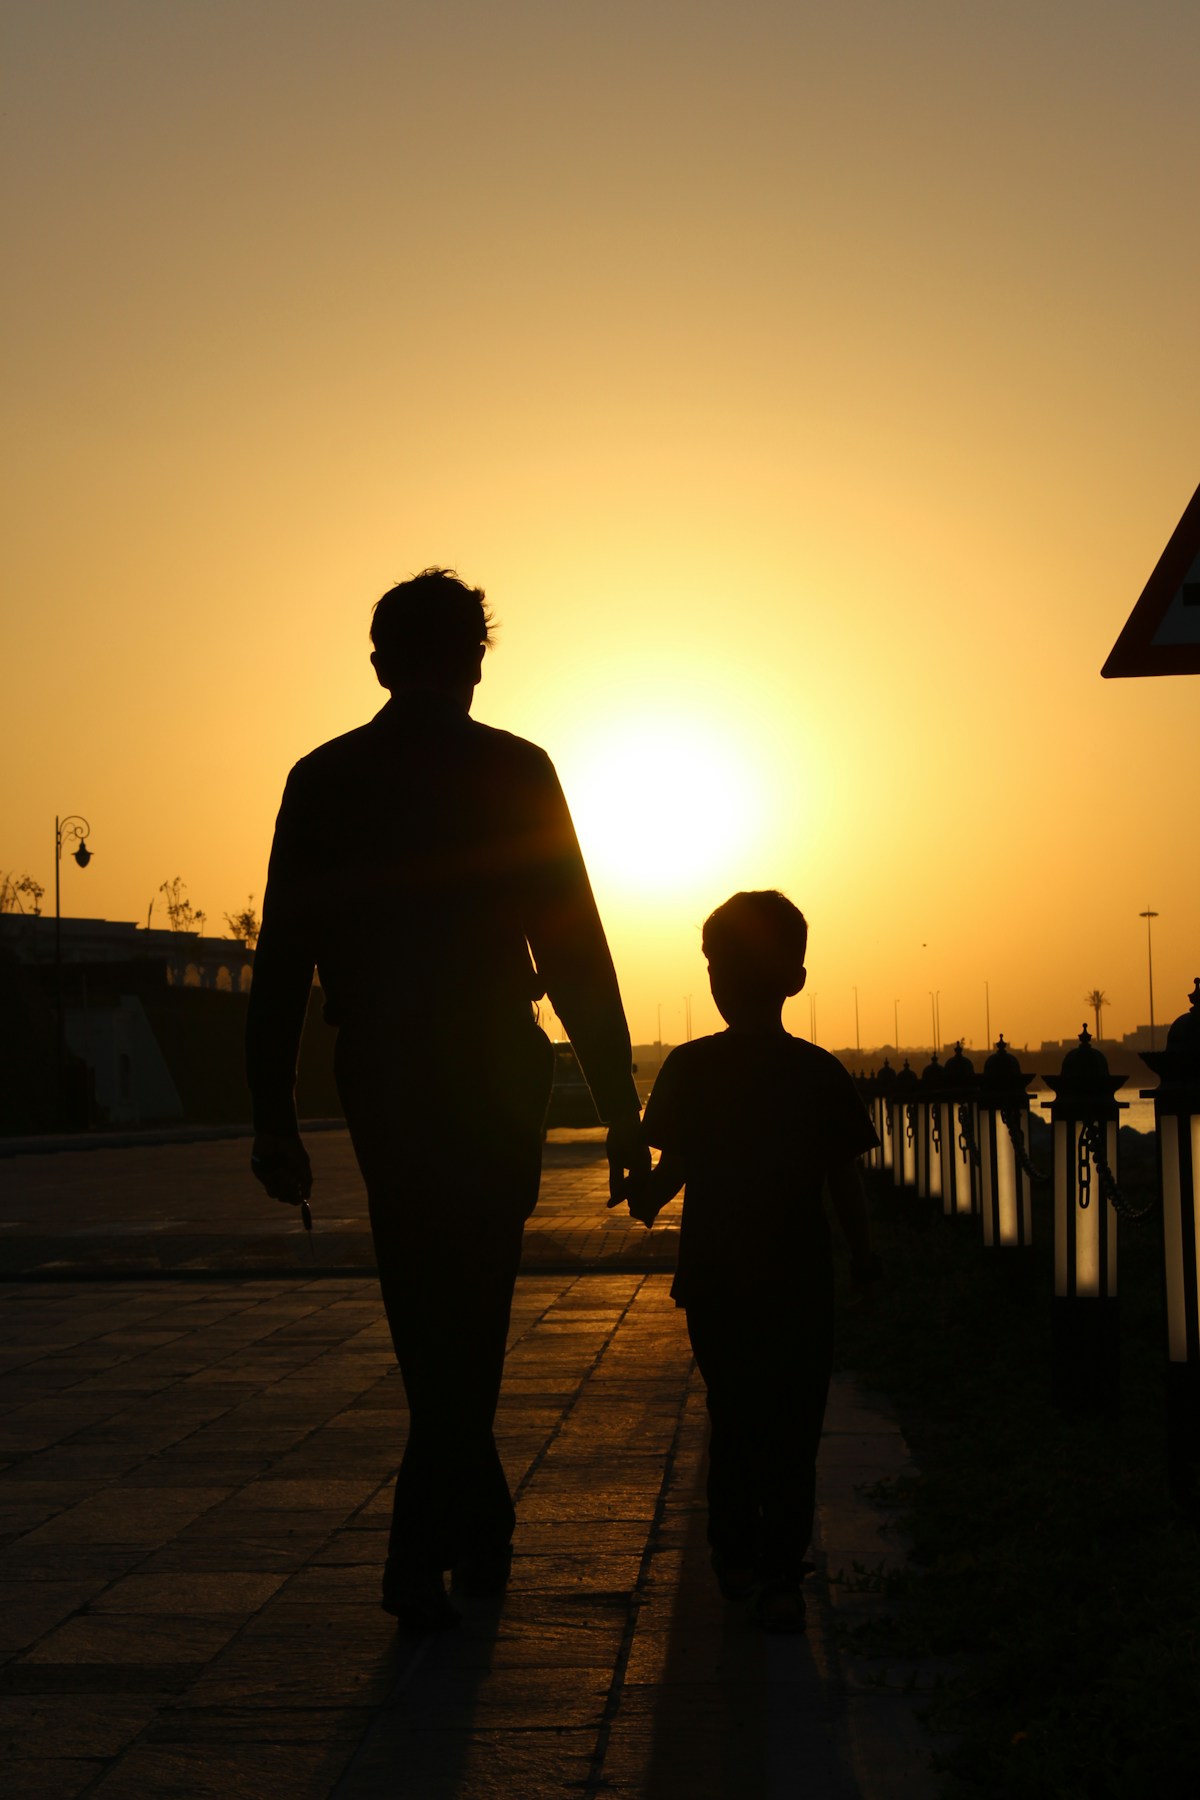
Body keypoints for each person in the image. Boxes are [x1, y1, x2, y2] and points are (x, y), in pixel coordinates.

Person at [246, 568, 646, 1630]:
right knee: (470, 1303)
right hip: (491, 1071)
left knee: (426, 1304)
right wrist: (621, 1107)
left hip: (383, 1073)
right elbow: (574, 953)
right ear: (475, 657)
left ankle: (459, 1532)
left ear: (380, 663)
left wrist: (272, 1115)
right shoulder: (517, 772)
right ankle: (443, 1538)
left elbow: (282, 959)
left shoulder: (323, 779)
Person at [616, 889, 880, 1632]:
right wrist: (865, 1259)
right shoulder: (819, 1073)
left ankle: (736, 1553)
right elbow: (844, 1182)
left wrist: (638, 1191)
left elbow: (669, 1175)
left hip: (718, 1275)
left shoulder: (691, 1068)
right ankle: (779, 1570)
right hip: (798, 1277)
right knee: (794, 1422)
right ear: (794, 978)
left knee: (734, 1413)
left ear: (715, 979)